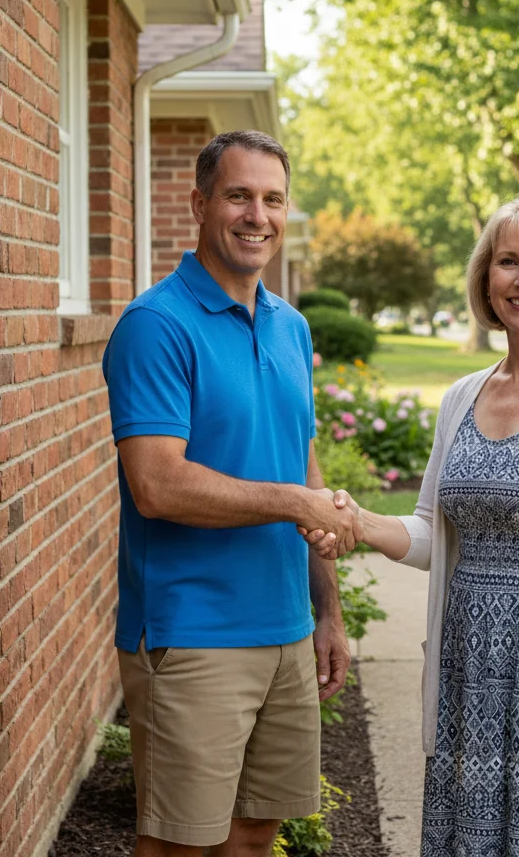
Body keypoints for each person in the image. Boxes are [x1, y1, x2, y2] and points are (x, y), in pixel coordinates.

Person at [305, 196, 519, 855]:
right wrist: (355, 520)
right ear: (485, 278)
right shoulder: (463, 397)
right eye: (509, 262)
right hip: (470, 690)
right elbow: (435, 533)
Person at [102, 130, 357, 857]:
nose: (258, 216)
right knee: (181, 844)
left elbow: (305, 474)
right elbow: (156, 484)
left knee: (254, 837)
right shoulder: (157, 325)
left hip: (284, 628)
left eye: (273, 199)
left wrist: (328, 613)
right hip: (193, 634)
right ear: (200, 204)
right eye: (239, 196)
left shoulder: (290, 326)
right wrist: (294, 504)